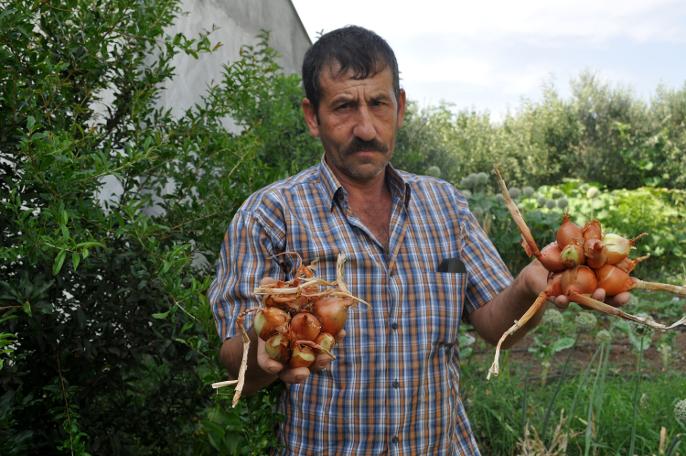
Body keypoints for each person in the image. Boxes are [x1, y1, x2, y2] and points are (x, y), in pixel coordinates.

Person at [208, 25, 629, 455]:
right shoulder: (270, 214)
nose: (366, 128)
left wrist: (527, 286)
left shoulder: (445, 206)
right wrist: (265, 352)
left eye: (379, 103)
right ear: (312, 116)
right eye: (343, 107)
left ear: (401, 107)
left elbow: (493, 325)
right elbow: (232, 353)